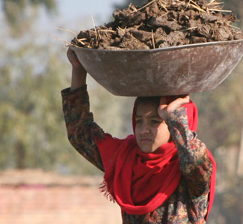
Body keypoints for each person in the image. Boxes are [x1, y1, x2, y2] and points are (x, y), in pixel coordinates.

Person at [61, 48, 216, 223]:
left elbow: (196, 161)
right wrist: (78, 70)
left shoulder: (189, 172)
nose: (143, 130)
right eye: (139, 121)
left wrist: (173, 116)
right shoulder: (125, 159)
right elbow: (80, 132)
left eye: (155, 122)